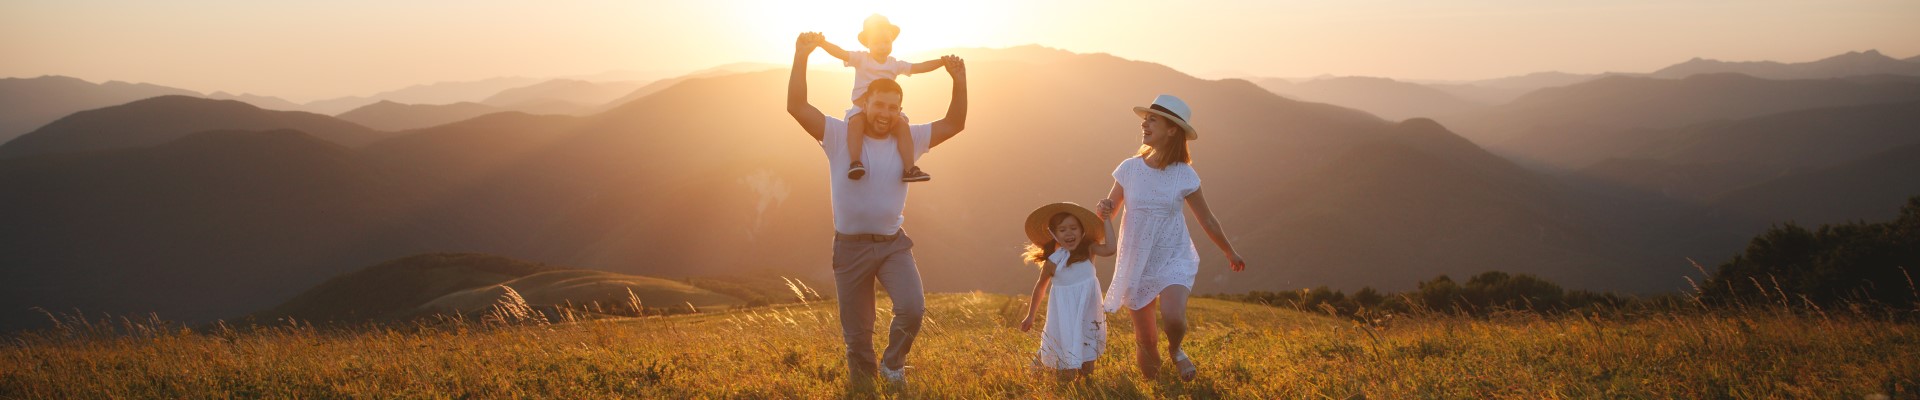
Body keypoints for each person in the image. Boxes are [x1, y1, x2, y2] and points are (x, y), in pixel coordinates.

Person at [786, 31, 968, 386]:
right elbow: (797, 107)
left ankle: (893, 363)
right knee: (857, 334)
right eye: (878, 105)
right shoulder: (839, 135)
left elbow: (954, 123)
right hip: (850, 247)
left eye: (892, 107)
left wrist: (958, 82)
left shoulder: (910, 139)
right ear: (864, 104)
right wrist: (802, 57)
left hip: (892, 245)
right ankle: (865, 385)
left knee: (912, 309)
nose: (885, 114)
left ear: (899, 111)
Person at [1096, 94, 1248, 381]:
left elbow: (1208, 218)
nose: (1145, 123)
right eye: (1145, 119)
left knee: (1174, 317)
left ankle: (1176, 350)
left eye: (1153, 119)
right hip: (1136, 260)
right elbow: (1109, 210)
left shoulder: (1184, 174)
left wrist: (1229, 251)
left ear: (1172, 129)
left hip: (1172, 256)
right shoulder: (1129, 168)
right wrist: (1101, 214)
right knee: (1146, 340)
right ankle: (1158, 387)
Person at [813, 14, 946, 182]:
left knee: (903, 127)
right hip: (861, 107)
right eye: (877, 42)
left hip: (885, 110)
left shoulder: (895, 64)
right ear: (867, 44)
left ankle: (909, 168)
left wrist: (942, 62)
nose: (882, 46)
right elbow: (841, 53)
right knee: (856, 123)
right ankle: (855, 162)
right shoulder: (861, 59)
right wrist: (822, 43)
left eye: (886, 42)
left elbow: (918, 68)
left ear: (892, 42)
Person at [1017, 202, 1116, 379]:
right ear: (1054, 235)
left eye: (1073, 228)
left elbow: (1110, 249)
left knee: (1087, 367)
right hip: (1064, 314)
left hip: (1088, 312)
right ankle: (1042, 364)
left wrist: (1107, 219)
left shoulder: (1088, 250)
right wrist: (1030, 315)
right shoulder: (1053, 262)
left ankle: (1083, 385)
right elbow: (1040, 287)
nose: (1069, 233)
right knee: (1066, 369)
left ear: (1082, 230)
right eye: (1062, 230)